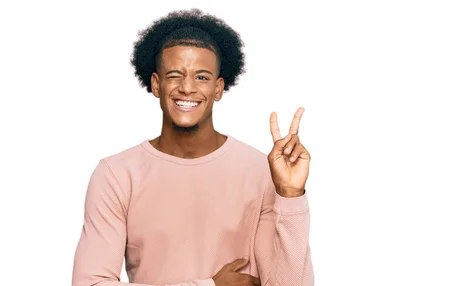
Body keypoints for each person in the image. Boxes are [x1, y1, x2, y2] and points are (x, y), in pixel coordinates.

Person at [72, 9, 314, 286]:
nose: (187, 88)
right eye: (175, 75)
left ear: (218, 88)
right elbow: (90, 283)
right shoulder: (116, 175)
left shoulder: (260, 170)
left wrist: (291, 195)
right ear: (156, 84)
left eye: (201, 77)